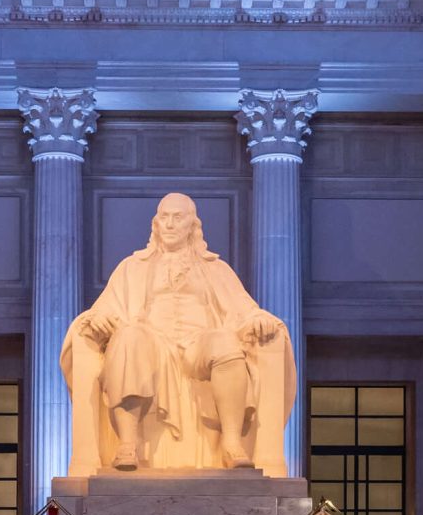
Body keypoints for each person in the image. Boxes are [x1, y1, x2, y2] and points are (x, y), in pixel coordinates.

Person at [63, 192, 292, 472]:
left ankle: (232, 444)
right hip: (151, 344)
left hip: (199, 344)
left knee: (224, 341)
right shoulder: (132, 268)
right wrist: (96, 318)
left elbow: (244, 309)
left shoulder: (216, 269)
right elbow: (104, 310)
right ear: (156, 224)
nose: (170, 224)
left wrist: (258, 318)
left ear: (192, 225)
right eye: (164, 217)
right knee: (128, 337)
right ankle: (128, 444)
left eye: (178, 217)